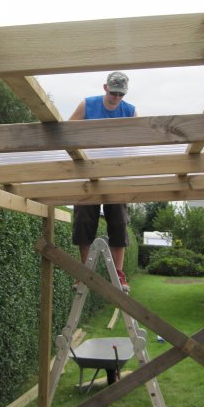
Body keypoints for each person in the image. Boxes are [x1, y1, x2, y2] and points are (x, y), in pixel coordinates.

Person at [69, 71, 137, 292]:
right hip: (88, 172)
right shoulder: (87, 106)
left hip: (116, 174)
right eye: (113, 92)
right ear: (105, 88)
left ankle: (119, 274)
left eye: (121, 94)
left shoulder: (130, 111)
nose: (116, 97)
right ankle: (85, 273)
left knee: (119, 221)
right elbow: (67, 132)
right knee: (83, 219)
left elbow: (139, 142)